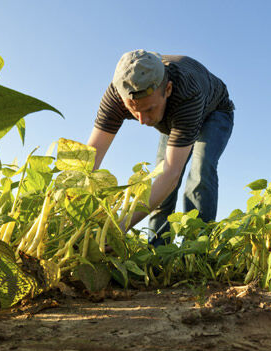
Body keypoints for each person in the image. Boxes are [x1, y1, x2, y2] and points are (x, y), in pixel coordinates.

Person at [86, 50, 234, 245]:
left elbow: (171, 174)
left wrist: (118, 227)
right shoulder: (116, 95)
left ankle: (197, 249)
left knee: (201, 169)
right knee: (159, 183)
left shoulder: (187, 92)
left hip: (214, 111)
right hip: (171, 117)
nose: (143, 121)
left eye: (149, 109)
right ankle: (157, 251)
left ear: (168, 89)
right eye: (133, 110)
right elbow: (90, 158)